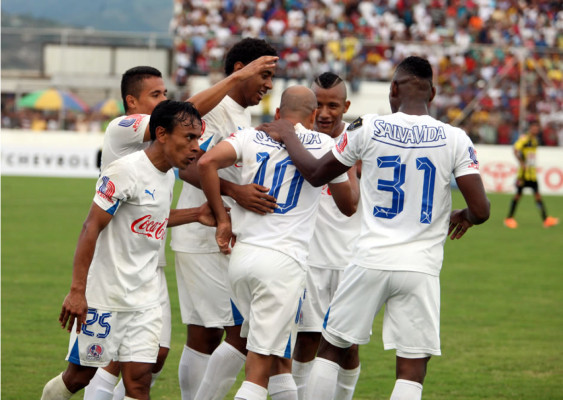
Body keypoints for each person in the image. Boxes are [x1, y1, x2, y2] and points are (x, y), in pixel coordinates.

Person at [259, 56, 490, 400]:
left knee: (333, 347)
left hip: (369, 258)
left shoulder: (368, 126)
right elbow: (482, 209)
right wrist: (464, 216)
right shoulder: (455, 138)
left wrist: (290, 135)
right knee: (411, 366)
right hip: (421, 266)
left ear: (393, 88)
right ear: (433, 92)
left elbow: (316, 172)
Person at [85, 56, 278, 400]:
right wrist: (238, 78)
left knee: (148, 359)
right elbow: (183, 115)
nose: (163, 101)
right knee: (103, 362)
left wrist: (197, 212)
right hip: (117, 265)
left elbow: (155, 213)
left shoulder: (160, 162)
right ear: (132, 101)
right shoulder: (123, 127)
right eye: (156, 95)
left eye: (164, 93)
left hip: (148, 258)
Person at [40, 100, 216, 400]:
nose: (197, 147)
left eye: (198, 139)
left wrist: (196, 213)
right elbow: (90, 227)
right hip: (104, 298)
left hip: (145, 300)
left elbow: (151, 219)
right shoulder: (124, 170)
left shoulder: (165, 176)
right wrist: (77, 291)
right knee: (80, 375)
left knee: (139, 382)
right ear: (161, 134)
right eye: (189, 138)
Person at [197, 85, 358, 400]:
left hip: (242, 260)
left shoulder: (250, 135)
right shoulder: (326, 144)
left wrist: (222, 217)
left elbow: (205, 164)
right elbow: (348, 205)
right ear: (313, 116)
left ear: (279, 113)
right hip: (284, 264)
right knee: (259, 369)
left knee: (273, 356)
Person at [170, 37, 279, 400]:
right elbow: (188, 166)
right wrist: (237, 195)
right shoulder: (216, 108)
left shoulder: (241, 114)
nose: (268, 85)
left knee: (204, 335)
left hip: (208, 237)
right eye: (263, 75)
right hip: (204, 236)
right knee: (242, 332)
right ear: (239, 70)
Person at [291, 72, 361, 400]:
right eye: (318, 104)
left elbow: (356, 203)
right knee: (306, 338)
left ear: (346, 105)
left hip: (352, 258)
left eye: (333, 105)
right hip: (310, 258)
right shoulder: (299, 139)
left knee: (348, 344)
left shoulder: (361, 141)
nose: (325, 112)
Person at [504, 121, 559, 229]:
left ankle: (546, 219)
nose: (536, 130)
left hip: (532, 174)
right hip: (524, 174)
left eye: (537, 128)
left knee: (537, 196)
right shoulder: (525, 139)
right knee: (518, 195)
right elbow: (515, 150)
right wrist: (521, 163)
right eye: (534, 128)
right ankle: (509, 218)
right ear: (530, 128)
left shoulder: (535, 140)